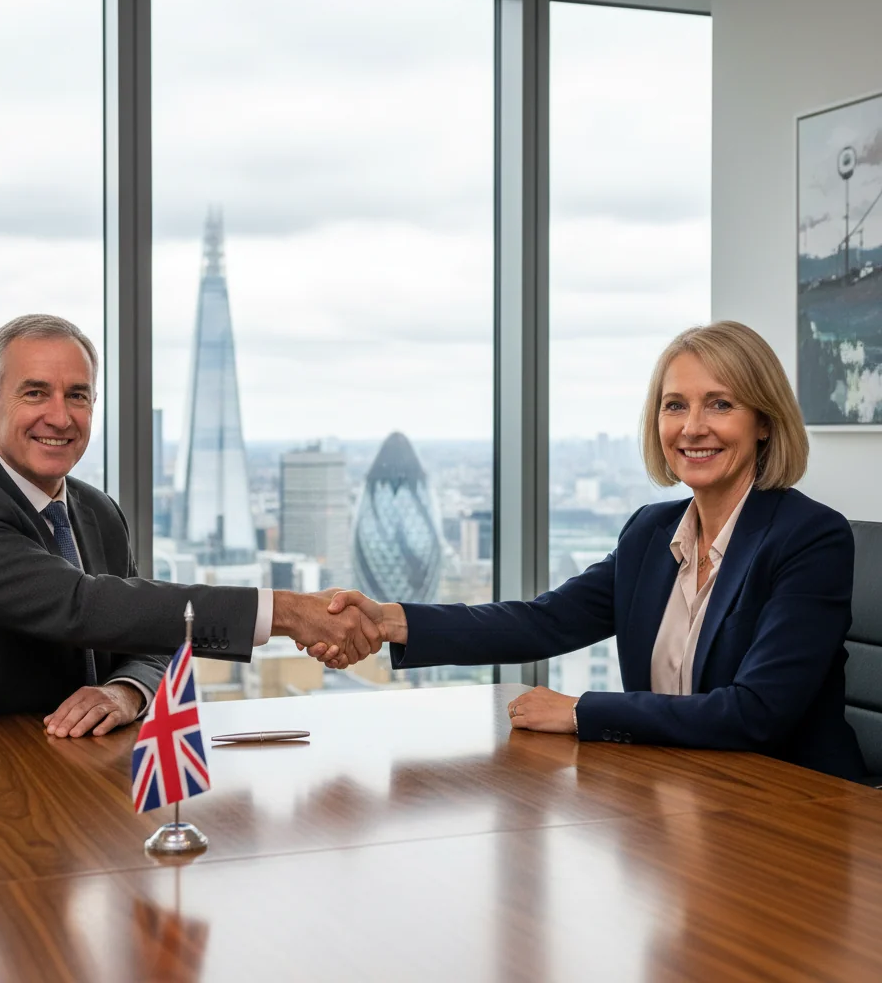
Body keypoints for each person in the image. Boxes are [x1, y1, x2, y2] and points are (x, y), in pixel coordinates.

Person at [318, 321, 867, 781]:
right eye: (674, 405)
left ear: (764, 422)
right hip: (679, 796)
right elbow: (543, 622)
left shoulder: (809, 538)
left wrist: (581, 711)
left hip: (792, 809)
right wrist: (389, 621)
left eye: (719, 404)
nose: (692, 427)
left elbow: (756, 713)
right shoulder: (651, 535)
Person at [0, 314, 380, 732]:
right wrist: (288, 611)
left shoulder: (97, 511)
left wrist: (127, 692)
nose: (60, 417)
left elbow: (146, 628)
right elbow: (83, 607)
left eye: (78, 396)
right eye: (36, 393)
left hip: (81, 772)